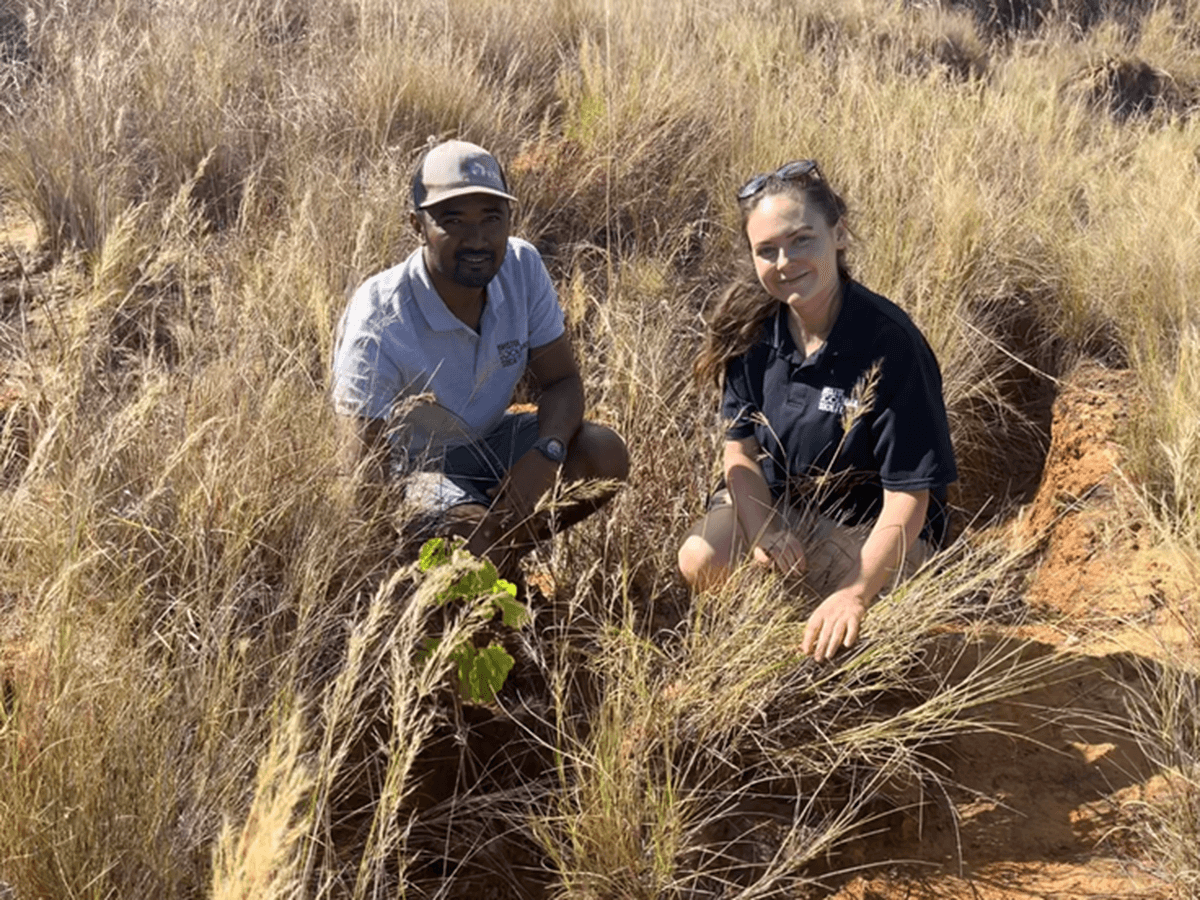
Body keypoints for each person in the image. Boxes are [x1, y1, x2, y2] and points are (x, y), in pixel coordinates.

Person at [677, 159, 957, 662]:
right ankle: (769, 649)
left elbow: (909, 499)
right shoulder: (753, 331)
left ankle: (847, 629)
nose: (784, 262)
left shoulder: (892, 344)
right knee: (702, 557)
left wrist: (853, 591)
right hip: (783, 514)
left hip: (867, 531)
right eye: (766, 250)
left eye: (801, 239)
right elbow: (739, 452)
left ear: (839, 234)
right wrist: (766, 529)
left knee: (847, 603)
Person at [332, 139, 629, 572]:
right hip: (413, 471)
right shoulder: (379, 316)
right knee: (476, 545)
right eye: (453, 220)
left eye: (492, 218)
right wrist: (382, 564)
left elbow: (562, 382)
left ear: (510, 219)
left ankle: (501, 562)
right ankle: (483, 571)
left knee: (602, 453)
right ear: (417, 225)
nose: (477, 239)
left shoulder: (522, 266)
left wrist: (546, 453)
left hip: (488, 442)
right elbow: (361, 480)